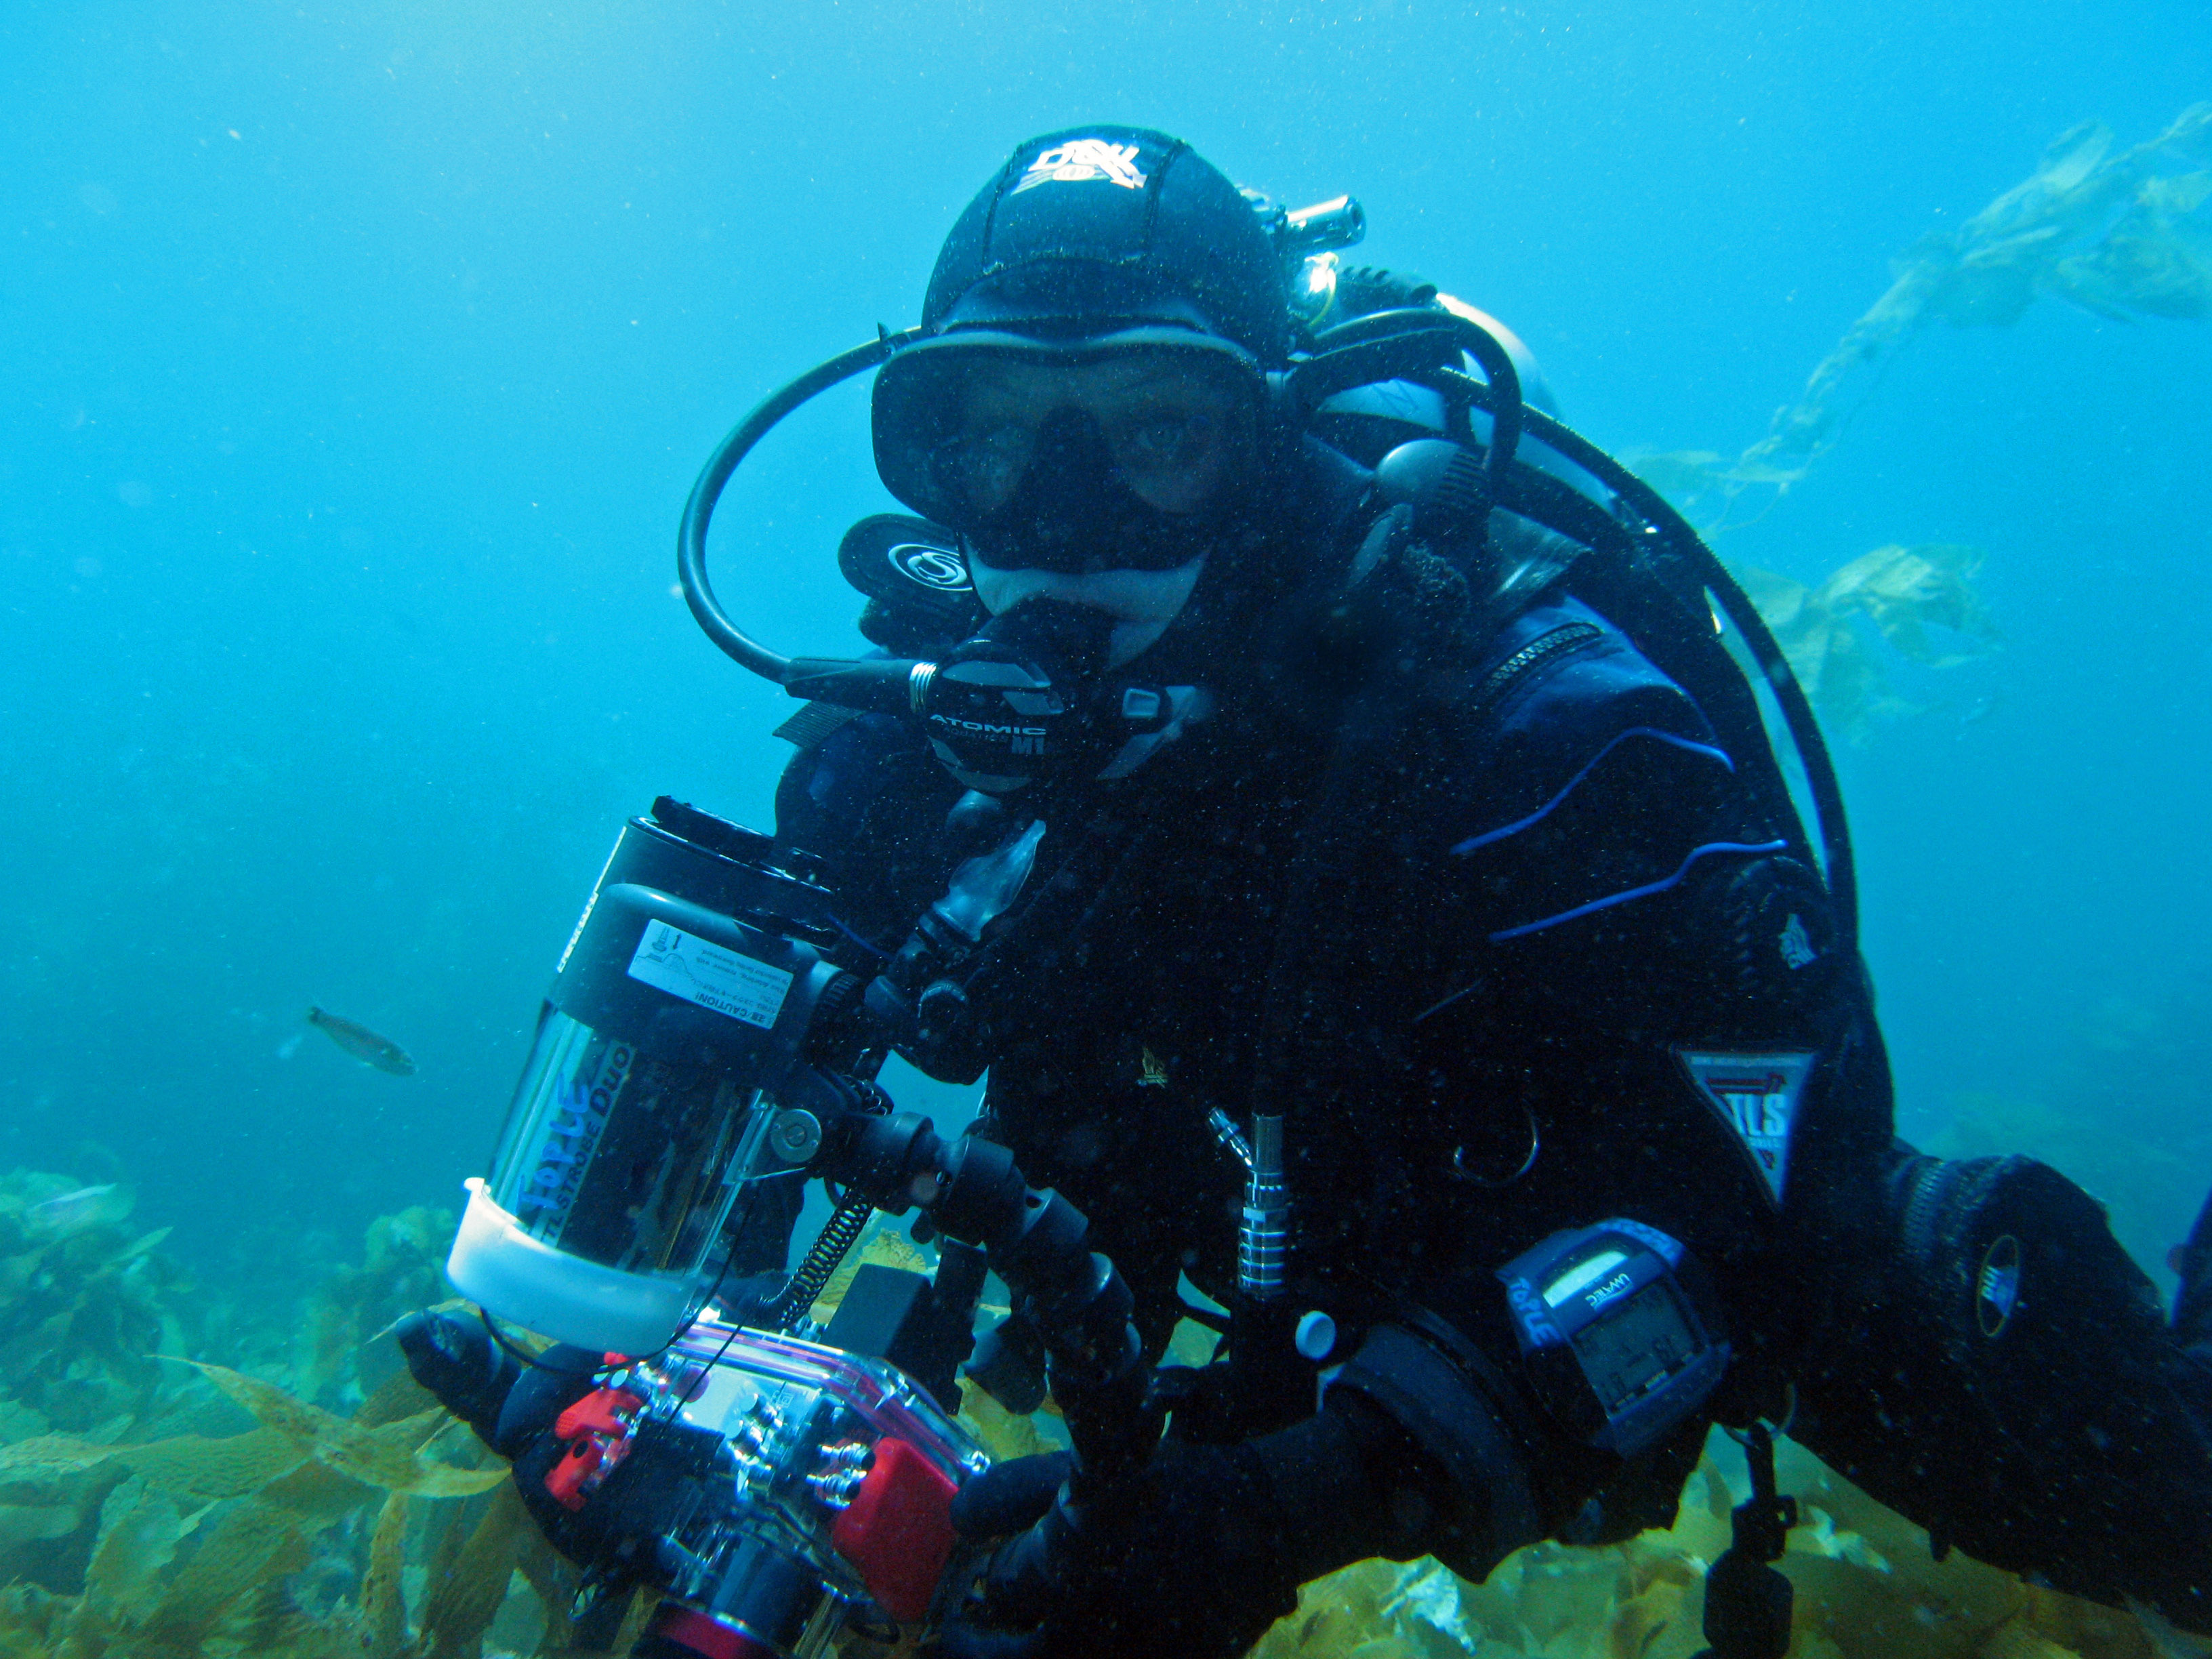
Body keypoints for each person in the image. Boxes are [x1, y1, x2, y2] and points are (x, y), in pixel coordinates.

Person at [413, 128, 2212, 1657]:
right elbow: (787, 1065)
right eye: (994, 440)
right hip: (1289, 1319)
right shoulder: (929, 747)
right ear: (923, 454)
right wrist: (640, 1381)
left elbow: (1762, 1223)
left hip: (1715, 1289)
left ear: (1269, 445)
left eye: (1155, 436)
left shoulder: (1528, 720)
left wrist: (1300, 1502)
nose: (1065, 520)